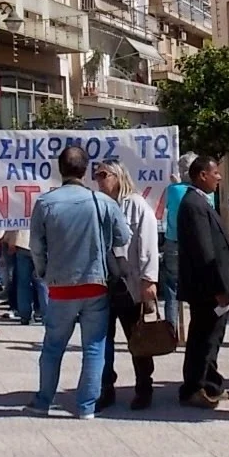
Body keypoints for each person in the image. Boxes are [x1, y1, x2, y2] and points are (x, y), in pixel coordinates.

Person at [29, 145, 129, 419]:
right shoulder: (103, 202)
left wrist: (43, 273)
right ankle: (86, 406)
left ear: (60, 169)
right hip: (95, 284)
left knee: (52, 346)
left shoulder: (45, 203)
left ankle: (43, 401)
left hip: (60, 286)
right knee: (94, 347)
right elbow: (123, 237)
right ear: (86, 171)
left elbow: (36, 246)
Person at [94, 159, 160, 412]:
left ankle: (144, 387)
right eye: (97, 176)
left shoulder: (136, 205)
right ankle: (105, 388)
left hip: (128, 282)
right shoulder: (99, 205)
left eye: (104, 175)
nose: (100, 180)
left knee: (138, 338)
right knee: (103, 339)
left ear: (118, 176)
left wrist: (148, 280)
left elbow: (147, 245)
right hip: (103, 281)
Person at [178, 155, 229, 409]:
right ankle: (195, 387)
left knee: (212, 337)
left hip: (211, 287)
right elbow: (204, 251)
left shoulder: (201, 202)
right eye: (215, 173)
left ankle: (211, 383)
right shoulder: (193, 204)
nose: (219, 177)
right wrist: (218, 288)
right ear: (202, 175)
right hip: (206, 290)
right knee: (203, 338)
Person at [160, 151, 196, 329]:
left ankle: (171, 331)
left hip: (173, 242)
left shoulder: (173, 190)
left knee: (171, 289)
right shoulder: (203, 192)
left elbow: (168, 206)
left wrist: (175, 184)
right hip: (196, 245)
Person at [5, 225, 48, 327]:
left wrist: (12, 241)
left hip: (22, 242)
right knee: (42, 281)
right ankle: (47, 315)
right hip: (40, 243)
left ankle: (25, 316)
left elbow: (15, 221)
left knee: (23, 283)